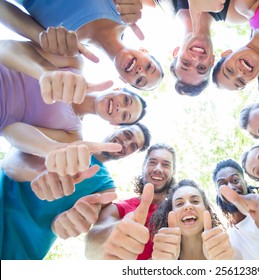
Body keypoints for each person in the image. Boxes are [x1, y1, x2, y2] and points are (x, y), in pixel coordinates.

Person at [0, 123, 152, 259]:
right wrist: (38, 172)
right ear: (117, 127)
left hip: (22, 250)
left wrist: (68, 222)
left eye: (133, 146)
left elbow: (68, 225)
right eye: (127, 134)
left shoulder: (107, 187)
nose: (126, 144)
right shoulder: (70, 137)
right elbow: (11, 156)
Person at [0, 39, 147, 173]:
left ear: (114, 123)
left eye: (124, 115)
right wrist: (47, 72)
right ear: (118, 90)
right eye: (126, 100)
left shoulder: (72, 136)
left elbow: (10, 130)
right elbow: (7, 47)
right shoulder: (74, 63)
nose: (119, 107)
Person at [0, 0, 164, 91]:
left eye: (139, 80)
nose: (140, 71)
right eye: (149, 67)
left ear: (123, 80)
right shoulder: (125, 8)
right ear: (144, 51)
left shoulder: (64, 50)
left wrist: (38, 36)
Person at [85, 143, 177, 260]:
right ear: (143, 167)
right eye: (152, 162)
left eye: (165, 165)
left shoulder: (179, 213)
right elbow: (91, 245)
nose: (158, 169)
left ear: (173, 172)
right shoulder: (117, 209)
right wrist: (113, 234)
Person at [169, 0, 246, 96]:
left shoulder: (164, 3)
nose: (196, 58)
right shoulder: (237, 12)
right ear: (212, 61)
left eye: (185, 63)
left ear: (176, 52)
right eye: (201, 67)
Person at [151, 179, 235, 260]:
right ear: (169, 213)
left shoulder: (230, 255)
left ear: (207, 210)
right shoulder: (156, 261)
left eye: (195, 201)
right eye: (179, 204)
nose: (188, 206)